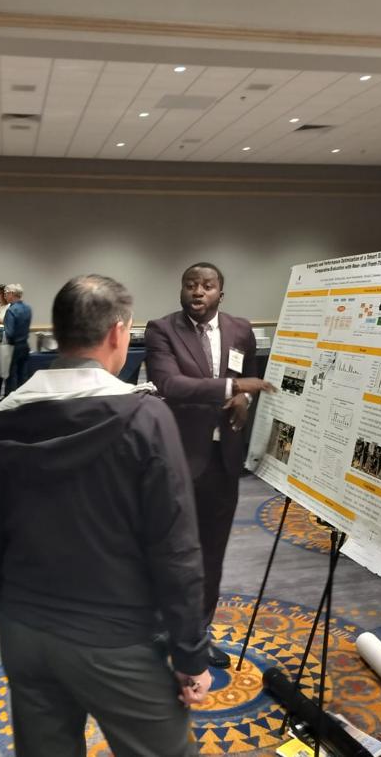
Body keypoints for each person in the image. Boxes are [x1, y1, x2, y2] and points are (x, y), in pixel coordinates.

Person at [0, 274, 210, 756]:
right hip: (114, 639)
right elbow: (175, 549)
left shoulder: (0, 421)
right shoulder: (144, 419)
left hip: (24, 632)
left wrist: (10, 610)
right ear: (118, 333)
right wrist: (190, 653)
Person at [145, 262, 275, 670]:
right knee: (171, 550)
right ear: (181, 290)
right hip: (178, 459)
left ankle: (197, 635)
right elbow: (169, 384)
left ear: (221, 293)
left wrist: (244, 399)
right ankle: (160, 627)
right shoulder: (162, 330)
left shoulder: (241, 330)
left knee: (212, 553)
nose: (198, 292)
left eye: (207, 286)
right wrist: (232, 387)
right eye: (191, 285)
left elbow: (250, 376)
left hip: (223, 460)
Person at [2, 283, 32, 391]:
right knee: (23, 375)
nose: (4, 296)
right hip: (25, 346)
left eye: (6, 293)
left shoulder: (11, 310)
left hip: (13, 348)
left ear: (12, 294)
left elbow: (9, 333)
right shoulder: (28, 308)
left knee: (11, 377)